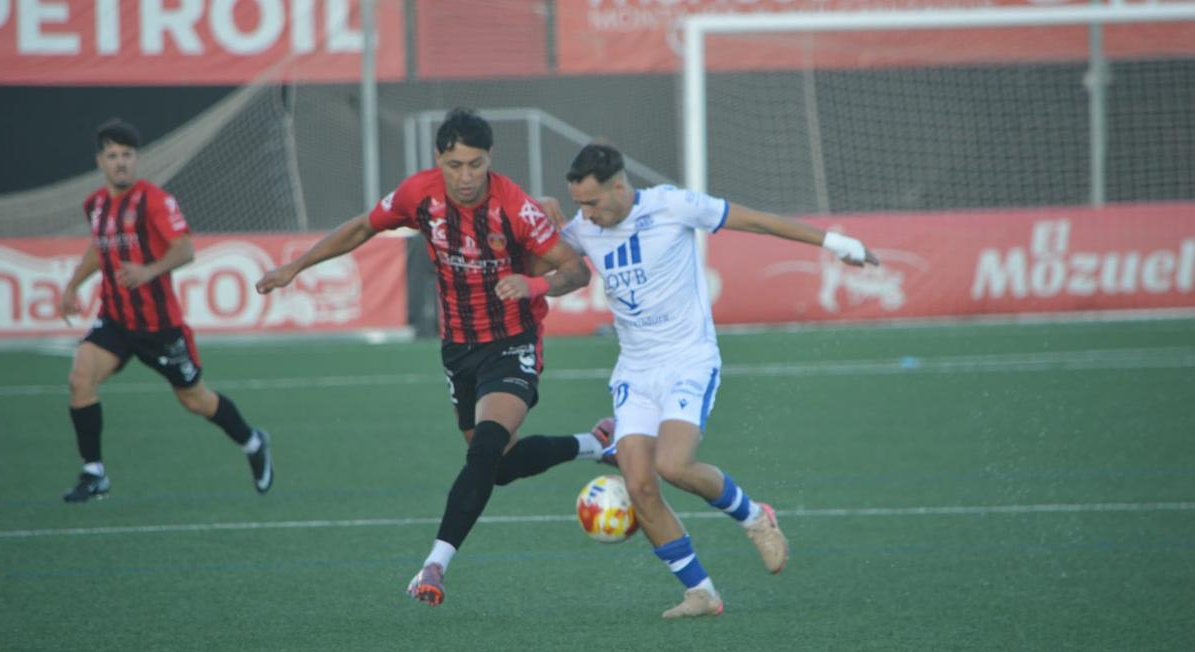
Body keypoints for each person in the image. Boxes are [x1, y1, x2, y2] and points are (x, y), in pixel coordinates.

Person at [255, 108, 610, 607]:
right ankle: (595, 444)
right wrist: (296, 264)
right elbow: (362, 228)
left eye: (475, 164)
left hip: (513, 342)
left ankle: (434, 565)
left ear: (490, 160)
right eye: (455, 165)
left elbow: (575, 272)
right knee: (498, 467)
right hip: (458, 349)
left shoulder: (517, 208)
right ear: (439, 159)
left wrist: (532, 284)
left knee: (484, 449)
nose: (465, 177)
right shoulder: (417, 194)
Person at [554, 142, 879, 619]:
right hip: (636, 369)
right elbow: (558, 269)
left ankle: (755, 516)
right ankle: (700, 592)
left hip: (688, 359)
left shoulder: (672, 205)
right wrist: (535, 232)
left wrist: (836, 244)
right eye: (577, 203)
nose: (585, 213)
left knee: (674, 465)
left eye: (592, 202)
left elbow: (758, 221)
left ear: (619, 188)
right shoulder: (584, 228)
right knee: (639, 484)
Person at [59, 118, 273, 503]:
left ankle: (253, 441)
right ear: (100, 161)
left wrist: (148, 270)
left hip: (159, 326)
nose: (121, 162)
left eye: (127, 155)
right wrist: (74, 285)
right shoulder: (96, 205)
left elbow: (185, 248)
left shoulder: (154, 200)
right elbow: (100, 245)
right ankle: (94, 472)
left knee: (195, 400)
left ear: (136, 159)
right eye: (113, 156)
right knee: (80, 378)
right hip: (115, 320)